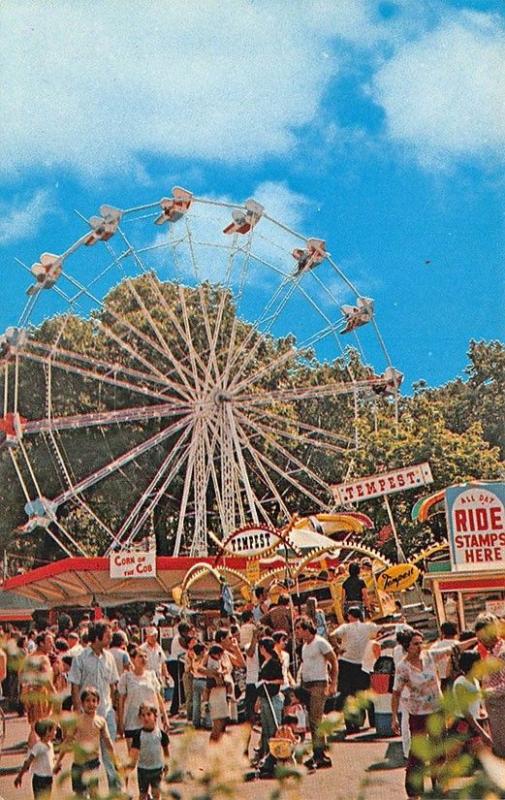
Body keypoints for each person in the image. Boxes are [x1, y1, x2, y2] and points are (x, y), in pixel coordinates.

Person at [391, 628, 477, 799]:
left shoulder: (429, 656)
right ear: (407, 646)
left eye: (420, 643)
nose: (419, 646)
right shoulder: (402, 667)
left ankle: (438, 785)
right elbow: (396, 693)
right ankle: (414, 792)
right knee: (417, 755)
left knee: (439, 751)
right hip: (418, 714)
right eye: (415, 644)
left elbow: (455, 648)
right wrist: (394, 716)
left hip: (437, 711)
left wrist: (476, 638)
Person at [68, 622, 121, 793]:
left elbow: (113, 685)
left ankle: (116, 792)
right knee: (88, 757)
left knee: (110, 754)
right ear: (97, 636)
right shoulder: (80, 658)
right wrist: (78, 712)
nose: (111, 638)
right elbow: (75, 687)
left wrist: (115, 711)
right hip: (87, 717)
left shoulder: (109, 658)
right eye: (108, 635)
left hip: (106, 712)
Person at [55, 687, 119, 800]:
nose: (91, 704)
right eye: (88, 701)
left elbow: (108, 742)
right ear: (82, 703)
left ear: (98, 703)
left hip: (93, 763)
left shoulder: (101, 721)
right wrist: (58, 761)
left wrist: (115, 761)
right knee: (80, 795)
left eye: (94, 701)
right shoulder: (77, 721)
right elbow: (67, 741)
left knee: (94, 793)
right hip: (79, 764)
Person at [295, 617, 337, 770]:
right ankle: (318, 753)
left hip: (319, 684)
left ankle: (321, 755)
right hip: (307, 685)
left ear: (306, 629)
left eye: (298, 628)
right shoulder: (305, 646)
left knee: (316, 720)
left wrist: (333, 683)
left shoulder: (320, 642)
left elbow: (333, 660)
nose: (297, 632)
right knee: (312, 722)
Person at [334, 607, 384, 733]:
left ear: (350, 616)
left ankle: (350, 723)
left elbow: (332, 635)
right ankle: (363, 721)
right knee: (360, 694)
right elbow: (382, 627)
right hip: (360, 667)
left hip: (345, 663)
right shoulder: (367, 627)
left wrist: (338, 647)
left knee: (347, 694)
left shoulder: (346, 627)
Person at [117, 646, 168, 752]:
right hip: (132, 721)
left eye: (146, 656)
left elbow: (158, 697)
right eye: (140, 656)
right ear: (133, 659)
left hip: (150, 721)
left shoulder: (151, 675)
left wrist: (165, 717)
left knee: (150, 755)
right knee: (133, 757)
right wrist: (120, 722)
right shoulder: (126, 678)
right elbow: (121, 701)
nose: (143, 659)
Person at [474, 613, 505, 757]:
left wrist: (486, 693)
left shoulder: (502, 653)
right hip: (494, 711)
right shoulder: (491, 651)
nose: (479, 640)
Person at [19, 632, 56, 746]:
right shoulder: (42, 658)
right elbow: (46, 679)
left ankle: (33, 754)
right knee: (43, 728)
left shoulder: (29, 657)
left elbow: (21, 675)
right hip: (41, 695)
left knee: (34, 727)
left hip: (30, 695)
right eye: (49, 642)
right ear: (41, 643)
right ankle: (42, 756)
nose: (52, 644)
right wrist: (53, 692)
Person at [128, 703, 170, 800]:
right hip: (143, 770)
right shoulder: (138, 735)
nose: (146, 717)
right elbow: (134, 753)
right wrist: (130, 765)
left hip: (157, 769)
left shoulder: (161, 734)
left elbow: (166, 751)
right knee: (142, 795)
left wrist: (167, 764)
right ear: (140, 717)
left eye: (148, 714)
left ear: (155, 717)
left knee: (157, 794)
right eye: (143, 715)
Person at [14, 718, 56, 800]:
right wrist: (20, 776)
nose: (55, 732)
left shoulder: (50, 745)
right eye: (54, 730)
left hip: (48, 778)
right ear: (47, 731)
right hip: (39, 779)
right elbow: (28, 761)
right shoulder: (38, 747)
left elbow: (50, 761)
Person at [256, 637, 284, 760]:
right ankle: (267, 755)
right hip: (263, 697)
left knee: (273, 727)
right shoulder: (264, 662)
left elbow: (281, 680)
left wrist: (268, 682)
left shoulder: (274, 662)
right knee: (266, 728)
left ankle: (275, 755)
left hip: (272, 697)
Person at [166, 622, 189, 717]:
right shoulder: (179, 638)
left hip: (175, 663)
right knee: (179, 686)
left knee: (180, 686)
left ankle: (177, 707)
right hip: (175, 663)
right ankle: (175, 708)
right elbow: (186, 647)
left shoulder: (178, 637)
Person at [430, 621, 459, 690]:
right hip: (458, 678)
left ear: (442, 632)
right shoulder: (459, 645)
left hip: (443, 682)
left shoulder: (434, 647)